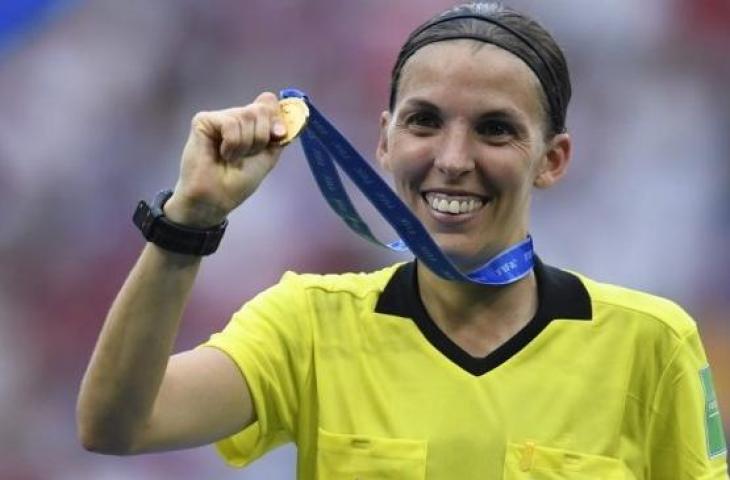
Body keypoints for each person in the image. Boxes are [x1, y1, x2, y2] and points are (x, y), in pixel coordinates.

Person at [76, 2, 729, 478]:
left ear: (552, 160)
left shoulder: (651, 343)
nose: (452, 157)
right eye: (425, 121)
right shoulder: (308, 327)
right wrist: (187, 219)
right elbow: (117, 424)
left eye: (495, 130)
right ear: (385, 142)